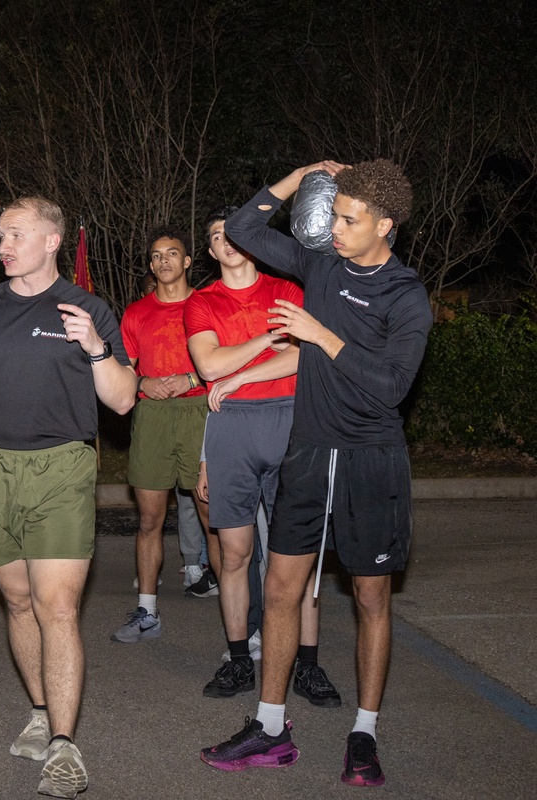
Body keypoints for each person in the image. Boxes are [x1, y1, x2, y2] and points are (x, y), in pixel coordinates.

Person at [199, 159, 432, 787]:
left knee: (370, 598)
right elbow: (247, 227)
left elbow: (390, 387)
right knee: (279, 590)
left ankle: (364, 732)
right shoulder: (322, 263)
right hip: (308, 452)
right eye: (332, 214)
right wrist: (298, 177)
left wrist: (319, 335)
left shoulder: (406, 294)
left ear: (385, 226)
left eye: (349, 220)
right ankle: (270, 727)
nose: (333, 228)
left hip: (370, 459)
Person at [0, 197, 135, 799]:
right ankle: (40, 712)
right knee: (18, 603)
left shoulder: (87, 308)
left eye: (17, 233)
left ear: (52, 240)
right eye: (1, 234)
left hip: (62, 467)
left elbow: (122, 399)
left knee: (56, 607)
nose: (3, 244)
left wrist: (94, 345)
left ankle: (64, 747)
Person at [187, 207, 338, 705]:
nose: (227, 241)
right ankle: (237, 661)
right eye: (217, 236)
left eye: (234, 232)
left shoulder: (286, 290)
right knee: (234, 553)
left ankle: (308, 665)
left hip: (291, 420)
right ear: (210, 250)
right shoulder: (202, 302)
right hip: (232, 427)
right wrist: (262, 343)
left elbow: (303, 353)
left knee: (297, 557)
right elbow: (209, 364)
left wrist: (240, 374)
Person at [110, 227, 214, 643]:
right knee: (150, 519)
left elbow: (226, 362)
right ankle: (147, 611)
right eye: (156, 256)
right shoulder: (136, 313)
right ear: (151, 265)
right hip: (151, 416)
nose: (164, 261)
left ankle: (243, 622)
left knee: (214, 519)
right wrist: (140, 385)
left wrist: (189, 376)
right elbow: (123, 371)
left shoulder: (207, 306)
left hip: (199, 411)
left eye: (173, 253)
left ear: (188, 261)